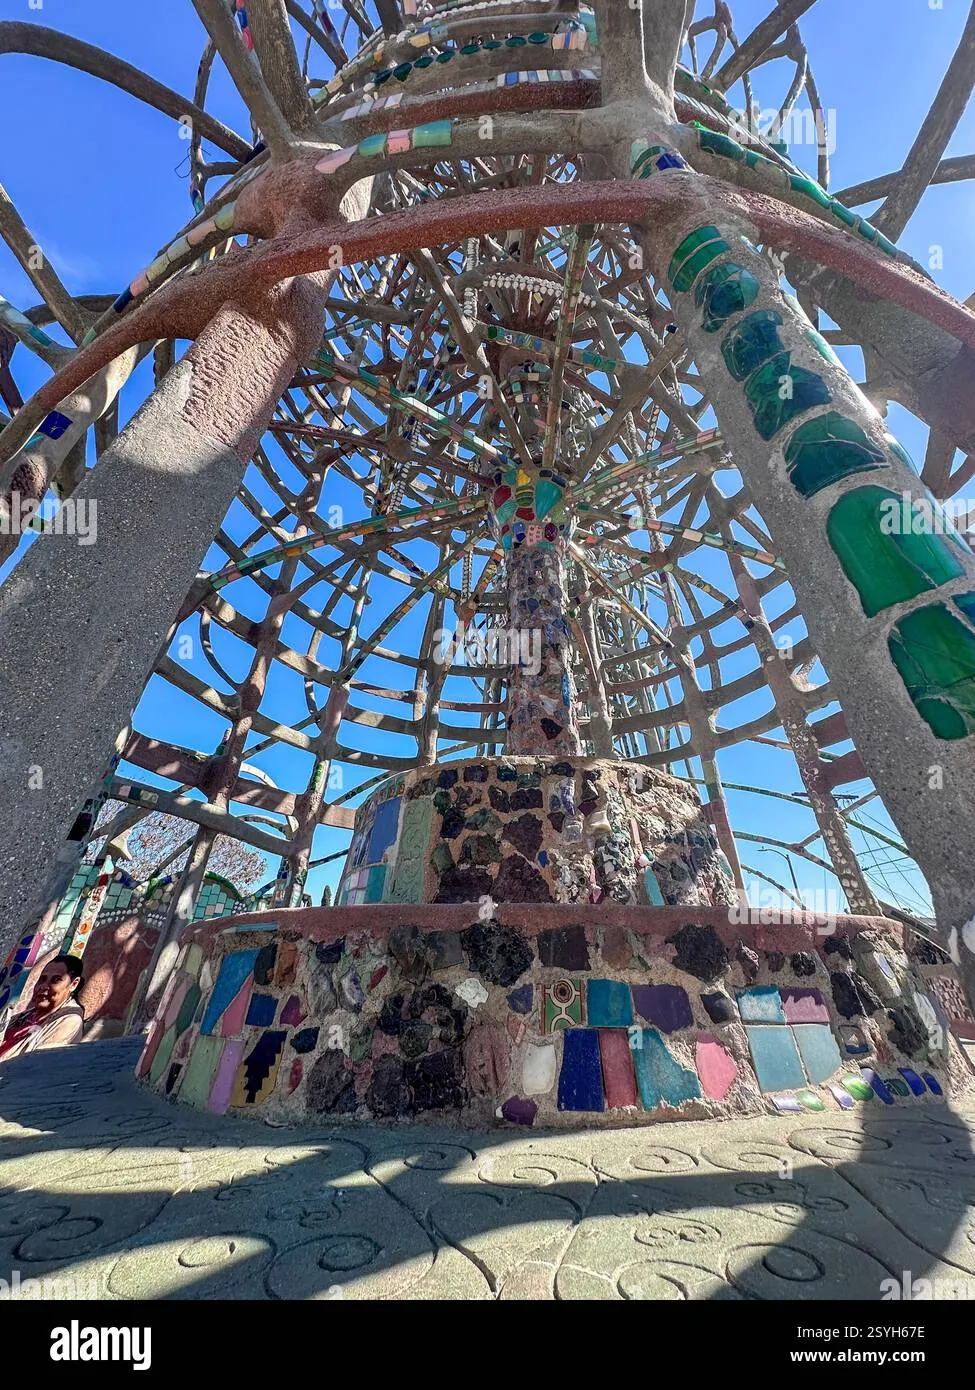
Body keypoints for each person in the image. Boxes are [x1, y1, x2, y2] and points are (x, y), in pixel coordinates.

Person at [0, 955, 85, 1060]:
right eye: (42, 979)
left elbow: (37, 1064)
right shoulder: (24, 1017)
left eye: (56, 980)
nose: (44, 986)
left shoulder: (69, 1020)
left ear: (73, 984)